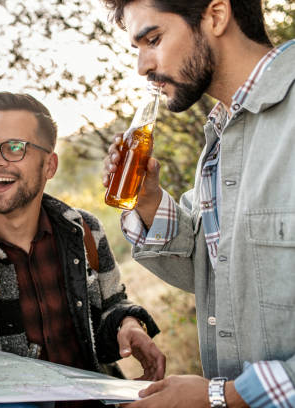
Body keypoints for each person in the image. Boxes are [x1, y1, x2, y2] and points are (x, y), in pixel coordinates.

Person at [101, 0, 295, 407]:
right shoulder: (221, 136)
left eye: (152, 39)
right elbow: (219, 275)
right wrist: (150, 198)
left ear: (217, 16)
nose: (141, 66)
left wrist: (224, 397)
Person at [0, 92, 166, 407]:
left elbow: (111, 305)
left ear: (49, 165)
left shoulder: (86, 231)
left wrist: (128, 324)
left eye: (14, 148)